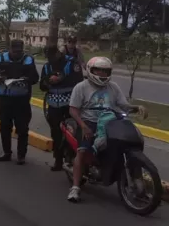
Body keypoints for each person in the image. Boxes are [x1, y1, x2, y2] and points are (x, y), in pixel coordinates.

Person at [67, 56, 148, 202]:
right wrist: (83, 126)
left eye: (105, 71)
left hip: (110, 121)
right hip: (89, 122)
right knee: (83, 151)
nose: (102, 74)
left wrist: (137, 108)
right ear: (91, 70)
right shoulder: (81, 87)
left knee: (127, 141)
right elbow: (73, 110)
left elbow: (123, 105)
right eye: (98, 70)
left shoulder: (113, 87)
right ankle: (75, 188)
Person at [0, 39, 40, 165]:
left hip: (21, 100)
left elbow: (35, 78)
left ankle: (21, 155)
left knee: (22, 128)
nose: (17, 54)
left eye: (19, 51)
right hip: (4, 99)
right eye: (14, 51)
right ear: (10, 49)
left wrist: (26, 79)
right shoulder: (1, 58)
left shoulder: (28, 60)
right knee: (5, 127)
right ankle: (6, 153)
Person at [40, 46, 84, 171]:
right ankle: (58, 160)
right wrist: (48, 81)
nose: (52, 59)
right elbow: (42, 85)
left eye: (53, 56)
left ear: (59, 53)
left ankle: (73, 159)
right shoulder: (47, 66)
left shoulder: (71, 63)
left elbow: (79, 81)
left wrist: (60, 79)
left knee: (73, 133)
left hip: (70, 104)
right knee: (56, 133)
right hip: (54, 105)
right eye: (49, 57)